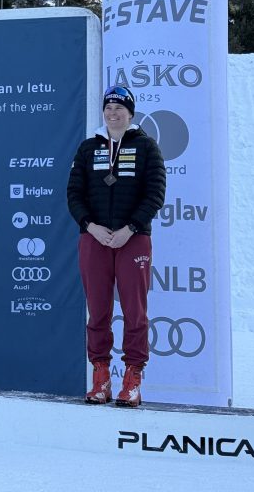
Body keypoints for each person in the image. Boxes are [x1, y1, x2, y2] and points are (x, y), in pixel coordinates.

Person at [67, 86, 165, 406]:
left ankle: (132, 379)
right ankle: (101, 378)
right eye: (108, 107)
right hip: (94, 239)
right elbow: (74, 194)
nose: (113, 113)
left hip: (133, 239)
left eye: (119, 108)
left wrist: (130, 228)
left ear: (130, 113)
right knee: (98, 311)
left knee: (135, 312)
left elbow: (155, 194)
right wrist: (90, 226)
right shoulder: (88, 148)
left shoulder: (147, 147)